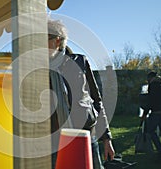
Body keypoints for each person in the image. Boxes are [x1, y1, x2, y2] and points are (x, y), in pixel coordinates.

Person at [48, 19, 115, 169]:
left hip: (86, 136)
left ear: (57, 40)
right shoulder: (37, 68)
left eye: (44, 38)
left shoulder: (80, 62)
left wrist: (106, 138)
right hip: (55, 141)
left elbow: (96, 101)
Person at [141, 71, 161, 161]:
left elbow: (151, 101)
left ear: (150, 78)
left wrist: (145, 113)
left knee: (150, 131)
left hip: (155, 112)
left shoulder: (153, 86)